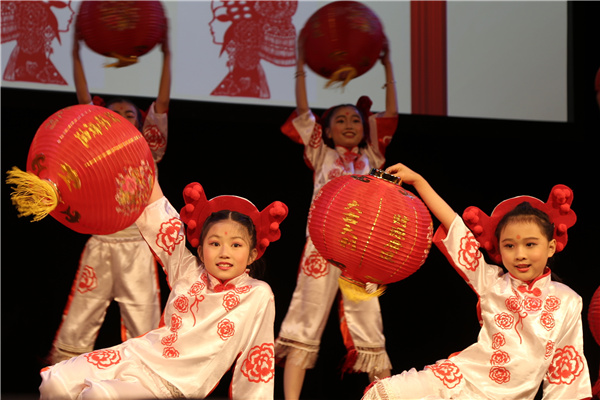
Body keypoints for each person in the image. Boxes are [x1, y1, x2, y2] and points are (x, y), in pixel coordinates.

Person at [39, 178, 289, 399]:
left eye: (236, 245)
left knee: (99, 396)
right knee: (56, 382)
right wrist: (138, 160)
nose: (224, 253)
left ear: (253, 253)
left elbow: (258, 356)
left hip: (173, 385)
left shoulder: (258, 294)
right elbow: (160, 215)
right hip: (138, 355)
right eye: (215, 243)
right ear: (201, 249)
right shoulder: (188, 271)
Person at [361, 163, 592, 400]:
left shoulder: (568, 300)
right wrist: (419, 182)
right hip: (462, 378)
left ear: (551, 247)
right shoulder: (492, 282)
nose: (520, 254)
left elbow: (565, 370)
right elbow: (456, 228)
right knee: (381, 394)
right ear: (500, 250)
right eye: (509, 246)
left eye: (530, 244)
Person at [274, 34, 398, 399]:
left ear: (365, 128)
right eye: (340, 120)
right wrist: (299, 62)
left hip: (362, 252)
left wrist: (387, 66)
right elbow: (301, 111)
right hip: (322, 248)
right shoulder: (321, 156)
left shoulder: (372, 157)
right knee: (303, 319)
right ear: (325, 131)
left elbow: (389, 114)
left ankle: (384, 393)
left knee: (369, 322)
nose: (348, 124)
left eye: (355, 120)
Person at [46, 27, 171, 364]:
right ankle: (64, 382)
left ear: (141, 121)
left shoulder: (149, 148)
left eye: (129, 114)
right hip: (101, 244)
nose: (122, 117)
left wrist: (167, 56)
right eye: (114, 113)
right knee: (79, 319)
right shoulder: (92, 154)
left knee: (143, 325)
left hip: (137, 248)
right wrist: (74, 56)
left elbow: (162, 103)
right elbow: (84, 103)